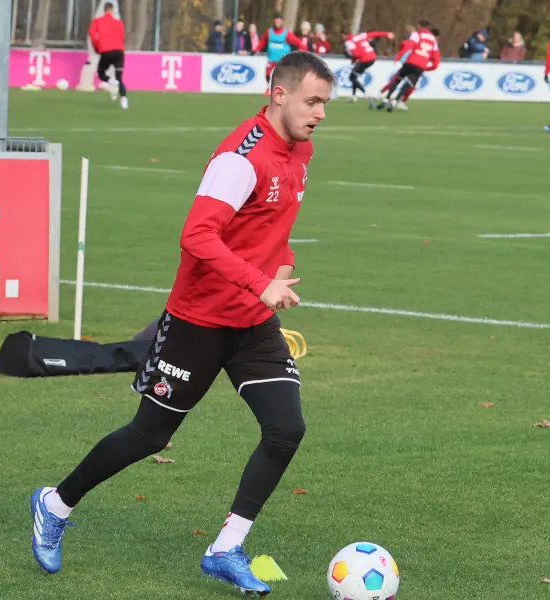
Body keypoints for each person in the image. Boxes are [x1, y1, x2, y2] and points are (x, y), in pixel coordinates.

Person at [28, 51, 335, 597]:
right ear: (279, 93)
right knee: (150, 435)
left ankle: (225, 548)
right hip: (198, 320)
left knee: (286, 428)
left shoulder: (301, 151)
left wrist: (278, 269)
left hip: (252, 320)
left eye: (325, 104)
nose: (320, 114)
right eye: (312, 102)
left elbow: (272, 228)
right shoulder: (241, 157)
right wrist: (259, 281)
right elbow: (196, 235)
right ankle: (54, 504)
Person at [374, 20, 439, 112]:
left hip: (411, 61)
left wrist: (399, 55)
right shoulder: (434, 40)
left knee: (397, 80)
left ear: (419, 25)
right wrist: (428, 68)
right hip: (421, 66)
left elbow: (409, 45)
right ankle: (394, 102)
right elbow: (436, 60)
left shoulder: (417, 34)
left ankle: (385, 99)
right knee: (407, 86)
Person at [88, 2, 128, 109]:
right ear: (112, 10)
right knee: (120, 77)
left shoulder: (97, 21)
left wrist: (97, 48)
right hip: (119, 51)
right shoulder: (119, 23)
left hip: (106, 50)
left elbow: (92, 34)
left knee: (101, 73)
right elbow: (123, 37)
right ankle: (124, 99)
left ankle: (111, 81)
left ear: (104, 10)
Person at [253, 15, 307, 87]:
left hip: (283, 60)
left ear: (282, 22)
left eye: (279, 22)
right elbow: (263, 41)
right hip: (271, 59)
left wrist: (304, 49)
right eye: (276, 21)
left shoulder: (286, 33)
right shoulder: (269, 32)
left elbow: (297, 41)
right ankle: (269, 88)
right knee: (267, 74)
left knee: (283, 76)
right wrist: (256, 50)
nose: (277, 23)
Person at [343, 28, 395, 101]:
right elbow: (375, 34)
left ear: (343, 35)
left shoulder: (348, 41)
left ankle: (366, 93)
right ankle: (354, 95)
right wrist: (386, 34)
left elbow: (356, 54)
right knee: (354, 76)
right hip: (372, 57)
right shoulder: (361, 35)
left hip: (365, 59)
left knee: (352, 77)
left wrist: (354, 58)